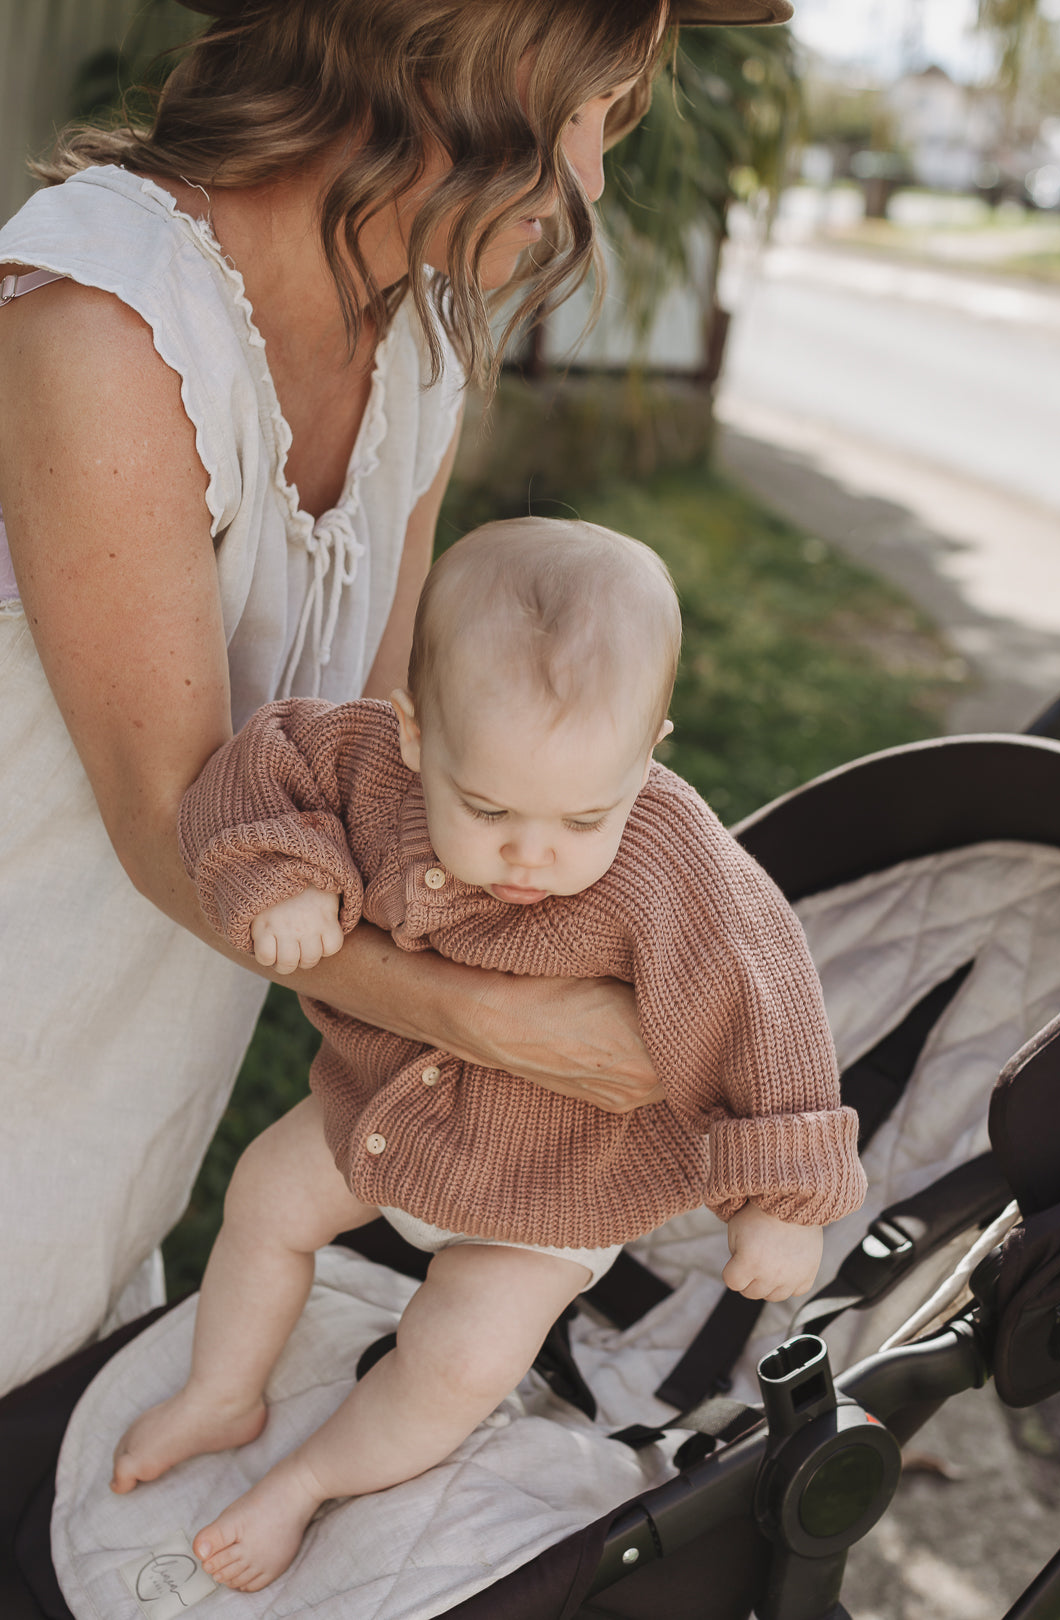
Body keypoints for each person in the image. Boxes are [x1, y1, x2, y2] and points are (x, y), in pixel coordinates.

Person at [0, 0, 708, 1399]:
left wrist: (624, 919)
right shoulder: (106, 317)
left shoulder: (418, 347)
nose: (592, 177)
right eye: (578, 110)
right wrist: (491, 1023)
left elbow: (377, 777)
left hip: (123, 1077)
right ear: (432, 43)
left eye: (611, 121)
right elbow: (176, 820)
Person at [110, 517, 866, 1593]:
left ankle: (312, 1480)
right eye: (488, 807)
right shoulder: (362, 759)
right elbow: (259, 763)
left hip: (559, 1186)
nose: (531, 852)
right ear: (415, 733)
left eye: (584, 818)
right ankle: (220, 1393)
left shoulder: (676, 865)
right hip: (382, 1105)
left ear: (649, 755)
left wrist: (785, 1200)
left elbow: (769, 999)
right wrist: (279, 870)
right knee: (265, 1199)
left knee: (462, 1358)